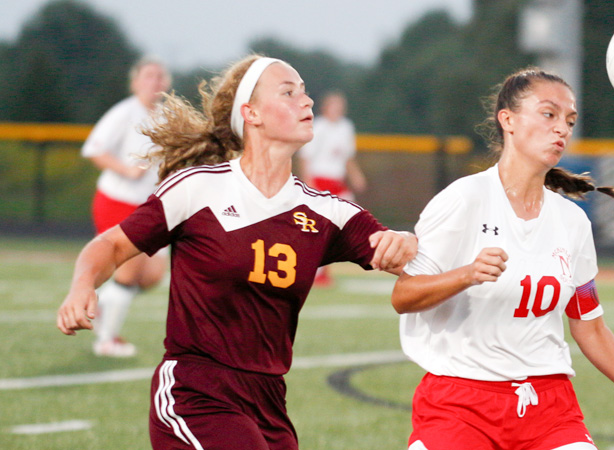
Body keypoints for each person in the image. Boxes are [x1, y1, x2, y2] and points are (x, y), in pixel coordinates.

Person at [57, 55, 417, 450]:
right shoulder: (197, 189)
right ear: (252, 113)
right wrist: (81, 287)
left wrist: (406, 241)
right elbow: (110, 245)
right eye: (288, 92)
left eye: (306, 92)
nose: (307, 102)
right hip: (195, 391)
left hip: (269, 402)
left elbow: (402, 252)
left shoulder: (326, 211)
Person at [391, 67, 614, 450]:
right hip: (460, 403)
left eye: (569, 120)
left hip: (550, 408)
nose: (561, 128)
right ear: (507, 120)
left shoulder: (572, 221)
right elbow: (403, 296)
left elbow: (590, 327)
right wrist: (466, 275)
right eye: (548, 114)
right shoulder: (464, 199)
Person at [80, 56, 172, 357]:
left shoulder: (169, 115)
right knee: (129, 272)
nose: (155, 82)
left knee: (152, 275)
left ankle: (101, 303)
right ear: (135, 82)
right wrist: (126, 170)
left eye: (160, 76)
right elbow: (94, 149)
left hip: (151, 205)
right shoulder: (124, 112)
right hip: (117, 201)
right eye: (148, 76)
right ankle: (107, 340)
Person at [298, 90, 367, 286]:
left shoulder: (346, 127)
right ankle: (317, 272)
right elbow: (306, 157)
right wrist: (308, 183)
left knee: (349, 220)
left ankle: (323, 267)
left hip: (337, 182)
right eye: (333, 105)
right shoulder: (318, 126)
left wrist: (356, 176)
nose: (337, 109)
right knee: (322, 228)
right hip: (320, 180)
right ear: (325, 107)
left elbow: (347, 157)